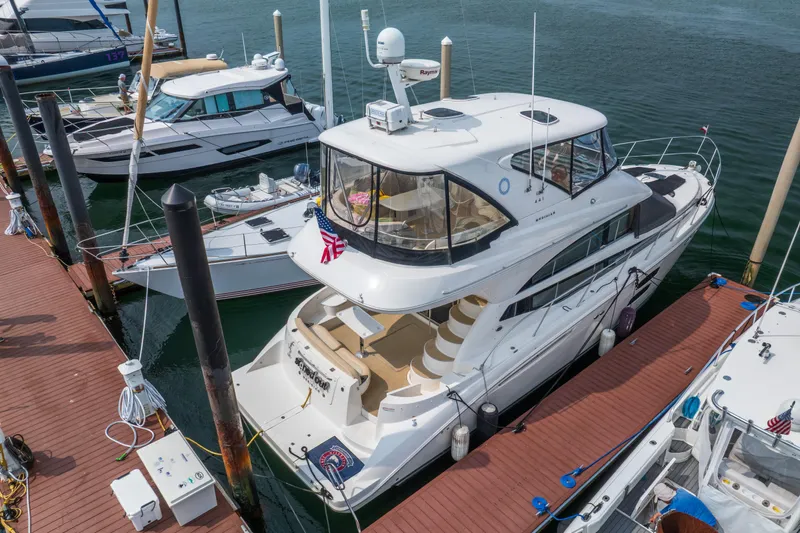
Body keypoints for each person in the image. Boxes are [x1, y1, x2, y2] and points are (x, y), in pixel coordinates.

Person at [650, 483, 717, 528]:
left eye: (660, 499)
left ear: (664, 499)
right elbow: (672, 506)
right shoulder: (681, 491)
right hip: (711, 521)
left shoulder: (675, 509)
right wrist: (656, 515)